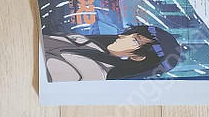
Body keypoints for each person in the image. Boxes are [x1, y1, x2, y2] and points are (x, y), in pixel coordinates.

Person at [42, 24, 181, 82]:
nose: (122, 36)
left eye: (135, 40)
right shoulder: (91, 45)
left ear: (138, 57)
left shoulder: (92, 71)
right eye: (131, 34)